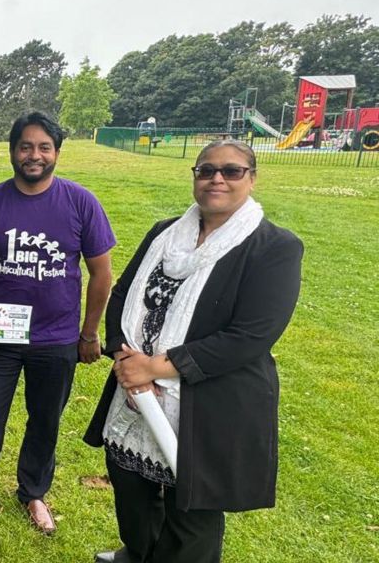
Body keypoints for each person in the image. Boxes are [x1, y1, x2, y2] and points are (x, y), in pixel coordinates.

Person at [84, 140, 303, 563]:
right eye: (206, 170)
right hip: (135, 390)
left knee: (192, 512)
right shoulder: (164, 234)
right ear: (195, 177)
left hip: (208, 400)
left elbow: (251, 336)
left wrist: (158, 368)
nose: (217, 179)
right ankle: (138, 552)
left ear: (252, 178)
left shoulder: (274, 248)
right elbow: (124, 294)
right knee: (131, 486)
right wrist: (126, 361)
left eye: (232, 171)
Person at [0, 112, 116, 535]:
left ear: (57, 153)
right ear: (13, 151)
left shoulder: (80, 202)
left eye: (44, 147)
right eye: (26, 146)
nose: (34, 155)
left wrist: (89, 333)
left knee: (45, 419)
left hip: (57, 338)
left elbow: (101, 274)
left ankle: (33, 492)